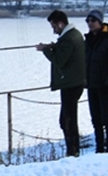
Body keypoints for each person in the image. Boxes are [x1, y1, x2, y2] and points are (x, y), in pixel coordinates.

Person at [36, 10, 86, 157]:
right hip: (75, 82)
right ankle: (73, 150)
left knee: (68, 120)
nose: (53, 30)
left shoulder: (68, 39)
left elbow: (59, 61)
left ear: (60, 23)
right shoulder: (74, 34)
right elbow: (66, 52)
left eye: (54, 26)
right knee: (66, 119)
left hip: (70, 83)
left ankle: (73, 151)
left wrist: (45, 50)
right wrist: (54, 47)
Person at [84, 8, 108, 153]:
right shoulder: (87, 40)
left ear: (100, 22)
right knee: (95, 119)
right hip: (91, 84)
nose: (90, 23)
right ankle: (99, 148)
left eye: (93, 20)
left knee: (106, 118)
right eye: (88, 20)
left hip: (105, 85)